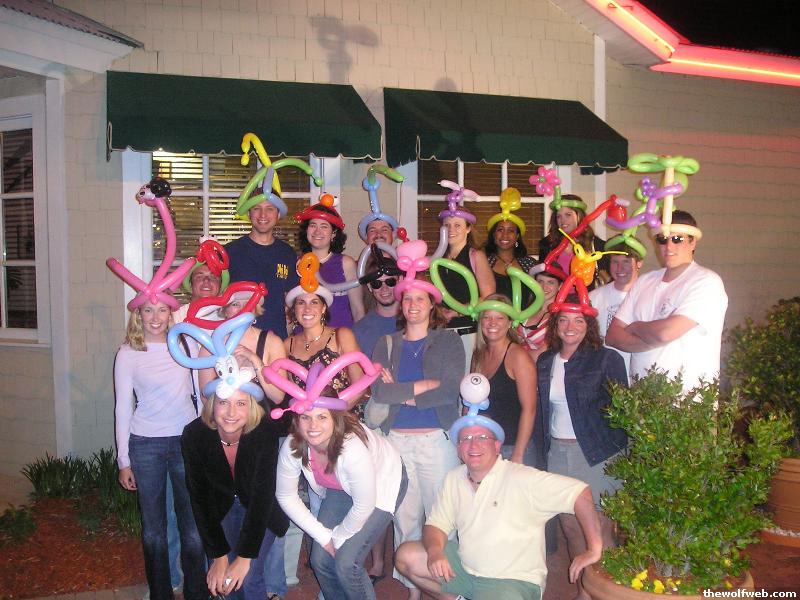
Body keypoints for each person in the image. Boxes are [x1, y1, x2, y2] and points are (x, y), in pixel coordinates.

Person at [394, 381, 603, 600]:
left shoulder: (522, 478)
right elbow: (436, 525)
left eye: (482, 438)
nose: (473, 445)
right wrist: (435, 552)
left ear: (497, 446)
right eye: (466, 439)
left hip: (512, 582)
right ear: (458, 448)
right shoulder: (454, 478)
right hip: (466, 570)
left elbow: (580, 493)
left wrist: (594, 548)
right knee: (407, 556)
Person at [370, 267, 464, 600]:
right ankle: (414, 587)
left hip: (436, 441)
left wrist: (402, 391)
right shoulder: (386, 344)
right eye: (407, 299)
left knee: (443, 517)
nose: (412, 305)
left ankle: (450, 585)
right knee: (405, 518)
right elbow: (380, 393)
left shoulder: (449, 340)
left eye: (419, 299)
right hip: (396, 441)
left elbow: (449, 391)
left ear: (432, 304)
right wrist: (424, 386)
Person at [537, 293, 627, 599]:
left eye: (578, 320)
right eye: (563, 320)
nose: (570, 327)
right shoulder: (546, 361)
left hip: (597, 454)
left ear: (589, 325)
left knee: (599, 528)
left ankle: (608, 592)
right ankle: (585, 591)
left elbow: (623, 410)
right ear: (555, 325)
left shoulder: (607, 359)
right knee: (570, 525)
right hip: (557, 453)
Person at [114, 300, 206, 600]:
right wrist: (123, 460)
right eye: (148, 310)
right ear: (138, 315)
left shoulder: (185, 345)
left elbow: (199, 392)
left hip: (185, 442)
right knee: (154, 530)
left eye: (162, 310)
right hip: (146, 445)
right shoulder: (128, 353)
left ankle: (197, 592)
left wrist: (204, 441)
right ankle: (161, 592)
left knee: (192, 526)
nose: (155, 317)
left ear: (171, 314)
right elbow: (123, 407)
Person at [275, 392, 407, 600]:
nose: (313, 425)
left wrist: (337, 538)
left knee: (347, 563)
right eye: (306, 417)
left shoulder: (351, 448)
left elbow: (364, 505)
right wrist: (324, 536)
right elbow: (285, 496)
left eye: (322, 417)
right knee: (320, 560)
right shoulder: (293, 445)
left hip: (382, 481)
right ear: (297, 419)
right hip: (341, 487)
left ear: (335, 418)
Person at [182, 383, 289, 600]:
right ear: (212, 404)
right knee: (224, 581)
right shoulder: (194, 435)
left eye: (240, 403)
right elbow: (200, 499)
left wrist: (244, 557)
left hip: (260, 511)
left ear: (251, 407)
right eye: (224, 402)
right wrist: (218, 555)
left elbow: (262, 498)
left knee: (247, 578)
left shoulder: (264, 431)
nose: (231, 413)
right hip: (220, 509)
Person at [606, 210, 728, 392]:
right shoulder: (644, 281)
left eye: (677, 239)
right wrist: (655, 338)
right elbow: (613, 336)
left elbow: (665, 333)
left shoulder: (706, 281)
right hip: (640, 400)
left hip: (687, 401)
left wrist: (636, 327)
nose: (669, 246)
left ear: (693, 242)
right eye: (662, 239)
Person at [471, 296, 540, 468]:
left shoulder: (518, 356)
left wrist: (518, 454)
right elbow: (470, 402)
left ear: (509, 323)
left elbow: (530, 409)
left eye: (500, 318)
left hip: (513, 448)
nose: (492, 323)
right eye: (487, 317)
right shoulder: (478, 355)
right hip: (484, 447)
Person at [226, 188, 298, 339]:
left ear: (278, 214)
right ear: (249, 213)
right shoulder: (230, 252)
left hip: (276, 339)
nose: (263, 215)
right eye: (256, 208)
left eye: (269, 209)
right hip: (237, 339)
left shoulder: (287, 253)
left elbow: (290, 301)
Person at [436, 182, 495, 367]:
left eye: (457, 225)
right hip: (443, 333)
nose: (451, 230)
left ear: (468, 228)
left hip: (469, 332)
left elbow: (488, 296)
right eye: (447, 225)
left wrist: (456, 311)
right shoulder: (438, 258)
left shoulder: (476, 256)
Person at [297, 194, 365, 327]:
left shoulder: (346, 264)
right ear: (306, 230)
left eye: (324, 226)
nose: (317, 231)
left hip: (340, 336)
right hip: (303, 337)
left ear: (333, 233)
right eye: (313, 225)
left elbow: (358, 311)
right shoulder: (297, 263)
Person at [589, 248, 644, 376]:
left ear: (639, 263)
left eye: (626, 262)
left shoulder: (651, 296)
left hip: (641, 374)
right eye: (615, 262)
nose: (620, 268)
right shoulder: (593, 298)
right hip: (604, 375)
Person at [538, 194, 608, 288]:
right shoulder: (547, 244)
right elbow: (542, 277)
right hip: (557, 297)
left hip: (587, 296)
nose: (563, 220)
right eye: (559, 216)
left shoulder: (596, 245)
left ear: (579, 216)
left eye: (568, 215)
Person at [484, 188, 536, 305]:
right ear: (494, 235)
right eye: (500, 230)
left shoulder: (530, 264)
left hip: (524, 316)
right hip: (492, 316)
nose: (505, 235)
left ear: (517, 236)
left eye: (511, 231)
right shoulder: (484, 262)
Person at [352, 250, 403, 358]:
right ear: (370, 287)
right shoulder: (359, 331)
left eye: (390, 282)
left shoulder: (414, 321)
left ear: (400, 281)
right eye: (377, 283)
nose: (384, 288)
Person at [517, 267, 565, 362]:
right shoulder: (526, 308)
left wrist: (514, 351)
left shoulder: (561, 317)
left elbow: (540, 356)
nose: (544, 287)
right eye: (540, 281)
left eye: (550, 282)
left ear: (560, 286)